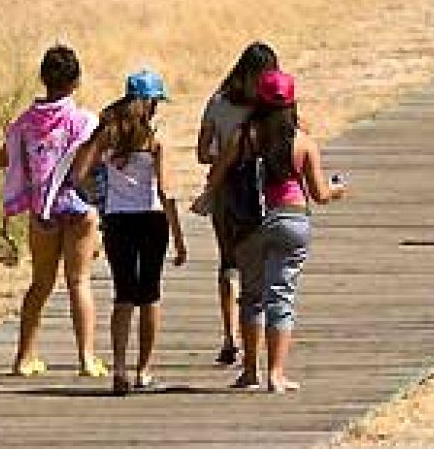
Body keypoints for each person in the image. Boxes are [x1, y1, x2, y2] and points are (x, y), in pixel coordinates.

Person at [209, 70, 346, 393]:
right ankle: (276, 373)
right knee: (281, 297)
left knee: (251, 297)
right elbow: (320, 195)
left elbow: (217, 174)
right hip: (292, 219)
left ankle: (249, 372)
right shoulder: (302, 142)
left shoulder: (244, 136)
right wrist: (339, 189)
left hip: (250, 222)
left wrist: (211, 197)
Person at [72, 70, 188, 395]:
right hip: (151, 220)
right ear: (149, 103)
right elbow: (165, 191)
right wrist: (178, 237)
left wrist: (98, 199)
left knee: (123, 295)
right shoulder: (154, 140)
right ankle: (144, 370)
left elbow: (78, 174)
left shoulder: (107, 136)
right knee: (150, 296)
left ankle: (119, 368)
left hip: (118, 220)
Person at [0, 45, 107, 379]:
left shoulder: (25, 123)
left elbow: (5, 159)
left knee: (40, 284)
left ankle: (24, 357)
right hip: (77, 208)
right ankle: (87, 358)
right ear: (76, 81)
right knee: (79, 281)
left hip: (42, 211)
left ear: (43, 79)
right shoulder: (84, 121)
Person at [196, 42, 278, 368]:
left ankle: (230, 336)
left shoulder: (217, 103)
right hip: (263, 191)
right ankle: (253, 340)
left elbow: (202, 153)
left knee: (228, 263)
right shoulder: (271, 106)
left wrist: (226, 160)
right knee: (260, 266)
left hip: (225, 190)